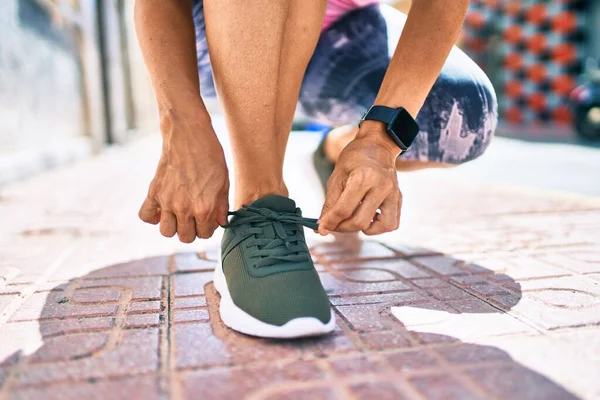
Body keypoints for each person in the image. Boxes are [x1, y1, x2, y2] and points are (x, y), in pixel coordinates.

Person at [134, 0, 497, 338]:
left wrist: (378, 141)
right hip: (218, 29)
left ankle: (336, 151)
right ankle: (259, 204)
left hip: (341, 29)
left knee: (463, 115)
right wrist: (181, 126)